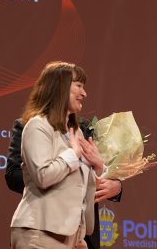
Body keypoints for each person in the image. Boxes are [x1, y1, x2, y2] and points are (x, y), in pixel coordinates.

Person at [9, 61, 108, 248]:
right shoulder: (38, 126)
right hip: (40, 234)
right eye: (78, 86)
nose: (84, 93)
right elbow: (43, 176)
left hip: (74, 237)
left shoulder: (76, 133)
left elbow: (79, 187)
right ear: (60, 88)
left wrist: (98, 167)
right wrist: (73, 155)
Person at [5, 118, 122, 249]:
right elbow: (13, 175)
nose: (83, 95)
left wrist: (116, 186)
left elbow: (97, 172)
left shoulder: (85, 129)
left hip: (84, 236)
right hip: (48, 228)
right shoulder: (30, 125)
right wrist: (58, 178)